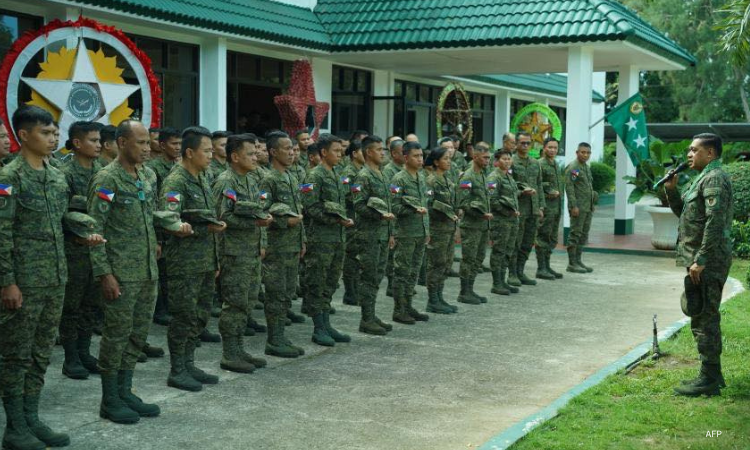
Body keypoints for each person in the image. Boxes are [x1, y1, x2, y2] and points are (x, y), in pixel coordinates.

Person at [0, 106, 90, 449]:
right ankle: (14, 427)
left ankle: (31, 418)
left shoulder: (56, 176)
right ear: (24, 135)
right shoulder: (10, 178)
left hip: (55, 277)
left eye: (55, 133)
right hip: (24, 282)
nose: (53, 138)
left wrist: (83, 232)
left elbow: (61, 221)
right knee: (16, 355)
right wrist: (7, 281)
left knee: (41, 353)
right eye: (45, 133)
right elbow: (2, 234)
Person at [87, 119, 169, 425]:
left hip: (147, 270)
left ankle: (125, 390)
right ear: (122, 143)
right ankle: (110, 398)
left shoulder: (147, 175)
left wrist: (158, 241)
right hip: (120, 273)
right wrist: (104, 273)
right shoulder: (107, 179)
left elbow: (150, 215)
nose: (148, 148)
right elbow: (94, 230)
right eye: (141, 143)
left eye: (148, 142)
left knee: (137, 334)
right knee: (116, 335)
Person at [665, 133, 733, 397]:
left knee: (705, 317)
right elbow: (686, 214)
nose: (689, 154)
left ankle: (709, 378)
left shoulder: (714, 178)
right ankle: (713, 374)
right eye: (689, 150)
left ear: (710, 153)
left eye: (694, 150)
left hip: (708, 261)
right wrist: (671, 190)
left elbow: (715, 222)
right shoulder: (702, 178)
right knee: (701, 313)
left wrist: (701, 259)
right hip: (700, 260)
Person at [160, 126, 226, 392]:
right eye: (206, 151)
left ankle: (189, 363)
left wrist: (215, 259)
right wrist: (199, 227)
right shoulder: (176, 182)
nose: (211, 156)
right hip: (185, 262)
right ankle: (177, 369)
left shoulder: (203, 177)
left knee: (199, 315)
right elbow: (169, 221)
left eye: (211, 151)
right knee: (183, 316)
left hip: (205, 260)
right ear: (189, 152)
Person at [212, 134, 272, 373]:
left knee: (248, 301)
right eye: (250, 154)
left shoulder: (249, 180)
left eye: (256, 153)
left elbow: (258, 212)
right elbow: (223, 217)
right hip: (234, 253)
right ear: (235, 157)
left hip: (251, 251)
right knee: (235, 303)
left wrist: (262, 239)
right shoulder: (226, 181)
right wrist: (255, 223)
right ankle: (229, 353)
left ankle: (239, 348)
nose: (255, 157)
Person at [58, 121, 105, 380]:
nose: (98, 145)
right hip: (74, 249)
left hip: (97, 250)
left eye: (99, 140)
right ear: (77, 143)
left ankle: (85, 352)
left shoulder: (103, 172)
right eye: (93, 140)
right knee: (72, 305)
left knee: (91, 304)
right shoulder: (65, 173)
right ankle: (71, 357)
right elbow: (60, 213)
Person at [300, 134, 353, 346]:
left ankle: (327, 324)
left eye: (341, 151)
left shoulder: (337, 174)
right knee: (317, 282)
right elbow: (310, 207)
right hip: (320, 239)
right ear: (323, 152)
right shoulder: (314, 176)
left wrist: (342, 221)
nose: (340, 155)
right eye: (336, 151)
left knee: (330, 282)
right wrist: (336, 220)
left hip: (337, 238)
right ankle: (318, 327)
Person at [260, 132, 307, 358]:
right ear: (273, 152)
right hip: (276, 247)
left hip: (292, 245)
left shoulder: (290, 177)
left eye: (292, 149)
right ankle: (274, 339)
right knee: (276, 294)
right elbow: (261, 211)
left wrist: (302, 240)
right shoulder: (268, 179)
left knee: (287, 292)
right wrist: (283, 222)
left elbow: (298, 212)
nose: (291, 153)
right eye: (286, 149)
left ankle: (280, 335)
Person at [351, 136, 395, 335]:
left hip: (383, 234)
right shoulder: (363, 176)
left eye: (383, 150)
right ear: (368, 152)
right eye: (378, 149)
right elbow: (358, 205)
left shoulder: (382, 174)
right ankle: (366, 319)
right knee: (368, 277)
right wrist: (378, 215)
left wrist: (390, 232)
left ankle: (372, 314)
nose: (382, 153)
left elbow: (388, 205)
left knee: (377, 276)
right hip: (369, 235)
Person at [145, 127, 182, 328]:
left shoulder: (179, 166)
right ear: (162, 145)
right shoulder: (154, 169)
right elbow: (155, 204)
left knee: (172, 273)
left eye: (180, 144)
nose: (178, 147)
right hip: (161, 227)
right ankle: (160, 310)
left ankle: (169, 307)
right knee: (161, 272)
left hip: (177, 226)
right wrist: (158, 237)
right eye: (174, 143)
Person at [390, 141, 430, 324]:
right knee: (402, 272)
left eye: (421, 156)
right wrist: (412, 210)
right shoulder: (399, 179)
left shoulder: (421, 177)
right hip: (405, 233)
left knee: (414, 272)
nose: (420, 159)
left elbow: (424, 204)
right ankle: (399, 310)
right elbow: (394, 206)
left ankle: (408, 306)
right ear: (406, 158)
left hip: (420, 232)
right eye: (416, 156)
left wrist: (426, 229)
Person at [456, 142, 492, 305]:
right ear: (475, 156)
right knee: (469, 259)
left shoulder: (483, 175)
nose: (487, 160)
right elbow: (463, 201)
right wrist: (480, 213)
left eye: (489, 158)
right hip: (471, 225)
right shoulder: (468, 176)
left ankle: (470, 289)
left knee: (478, 258)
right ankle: (464, 292)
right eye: (484, 157)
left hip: (483, 225)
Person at [424, 146, 459, 314]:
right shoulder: (430, 181)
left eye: (449, 158)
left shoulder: (447, 180)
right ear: (436, 162)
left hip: (449, 228)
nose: (449, 161)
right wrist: (445, 210)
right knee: (436, 264)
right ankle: (432, 300)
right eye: (445, 158)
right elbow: (428, 205)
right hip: (437, 229)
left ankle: (439, 296)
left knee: (446, 263)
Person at [509, 132, 545, 286]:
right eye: (522, 143)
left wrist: (541, 206)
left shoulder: (535, 163)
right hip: (518, 209)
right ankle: (512, 274)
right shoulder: (511, 162)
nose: (525, 146)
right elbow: (507, 185)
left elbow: (539, 185)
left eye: (528, 143)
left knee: (527, 242)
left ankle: (520, 271)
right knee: (515, 242)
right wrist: (521, 192)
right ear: (516, 144)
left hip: (533, 209)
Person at [487, 150, 521, 296]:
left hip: (512, 221)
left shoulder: (508, 176)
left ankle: (502, 281)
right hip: (500, 221)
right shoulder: (494, 177)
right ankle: (496, 283)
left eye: (509, 159)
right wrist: (508, 212)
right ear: (497, 161)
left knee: (508, 251)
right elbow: (492, 200)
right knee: (499, 251)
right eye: (504, 159)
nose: (507, 161)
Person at [564, 143, 596, 274]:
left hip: (587, 207)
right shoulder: (574, 167)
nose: (585, 155)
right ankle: (572, 263)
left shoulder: (586, 167)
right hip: (578, 207)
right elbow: (569, 187)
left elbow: (588, 187)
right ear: (577, 152)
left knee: (583, 235)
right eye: (583, 152)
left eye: (588, 153)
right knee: (575, 234)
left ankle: (578, 261)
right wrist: (573, 206)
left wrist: (592, 204)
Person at [535, 138, 564, 280]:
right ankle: (541, 268)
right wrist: (549, 190)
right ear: (544, 148)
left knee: (552, 238)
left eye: (555, 148)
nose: (553, 150)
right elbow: (537, 183)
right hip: (546, 206)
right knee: (543, 237)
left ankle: (547, 265)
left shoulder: (555, 164)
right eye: (550, 147)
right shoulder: (540, 164)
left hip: (556, 207)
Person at [341, 140, 365, 307]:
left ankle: (355, 290)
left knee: (357, 257)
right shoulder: (348, 172)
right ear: (354, 154)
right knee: (351, 256)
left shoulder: (361, 170)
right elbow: (345, 193)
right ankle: (350, 292)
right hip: (351, 218)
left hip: (359, 219)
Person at [382, 139, 405, 296]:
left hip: (404, 220)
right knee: (393, 255)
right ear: (394, 154)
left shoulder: (404, 169)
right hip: (393, 218)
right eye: (403, 152)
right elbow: (391, 199)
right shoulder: (389, 171)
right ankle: (392, 284)